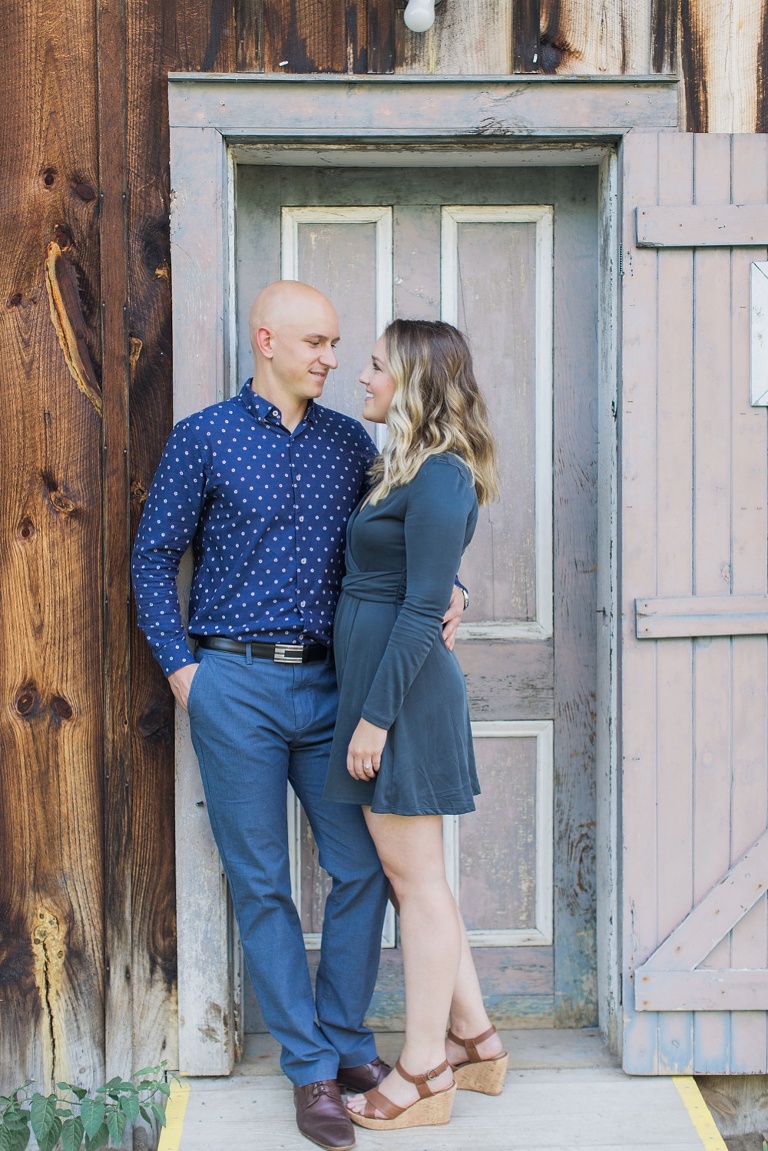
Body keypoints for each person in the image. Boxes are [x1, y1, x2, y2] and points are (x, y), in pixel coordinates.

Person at [131, 281, 465, 1151]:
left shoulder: (352, 444)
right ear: (267, 338)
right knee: (263, 883)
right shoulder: (203, 437)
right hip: (231, 684)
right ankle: (311, 1067)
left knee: (362, 870)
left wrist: (452, 584)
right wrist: (184, 673)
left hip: (331, 688)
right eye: (316, 342)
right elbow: (152, 554)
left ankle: (348, 1038)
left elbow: (400, 535)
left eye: (339, 343)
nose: (331, 359)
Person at [323, 319, 508, 1132]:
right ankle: (477, 1038)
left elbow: (421, 603)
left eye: (373, 366)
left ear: (413, 382)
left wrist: (374, 720)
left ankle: (424, 1069)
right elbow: (427, 572)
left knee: (417, 884)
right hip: (383, 690)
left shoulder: (441, 475)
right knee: (417, 880)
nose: (359, 376)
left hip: (402, 698)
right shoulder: (404, 467)